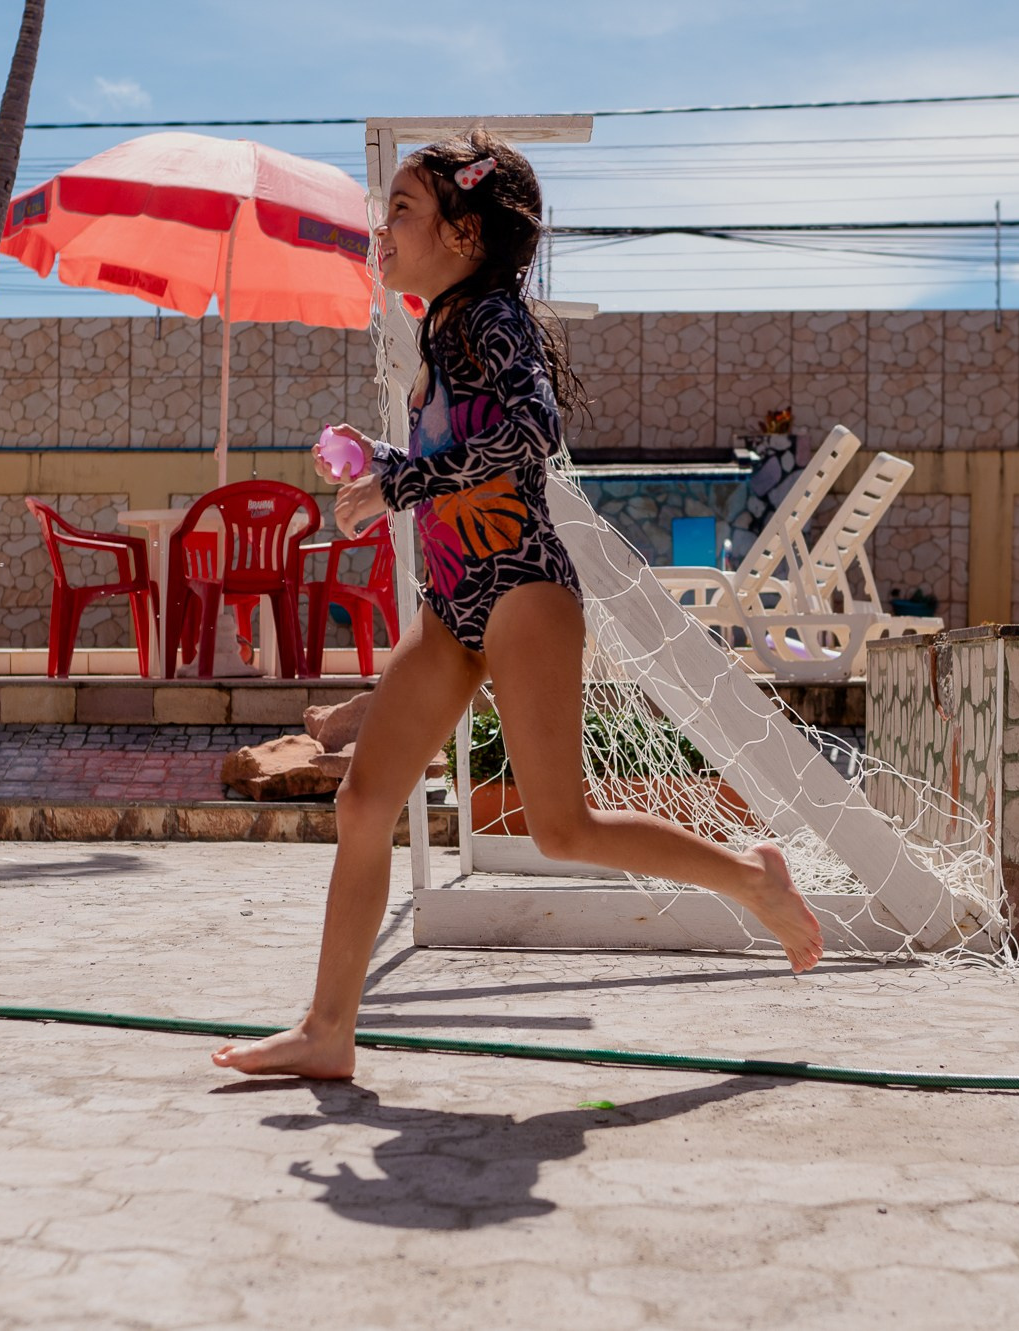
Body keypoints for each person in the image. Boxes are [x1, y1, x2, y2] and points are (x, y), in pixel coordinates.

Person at [214, 132, 823, 1080]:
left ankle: (753, 879)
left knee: (561, 826)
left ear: (462, 233)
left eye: (403, 210)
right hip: (454, 599)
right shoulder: (445, 324)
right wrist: (377, 463)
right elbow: (464, 448)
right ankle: (329, 1030)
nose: (384, 229)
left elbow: (531, 428)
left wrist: (406, 479)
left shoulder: (490, 315)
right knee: (363, 800)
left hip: (522, 588)